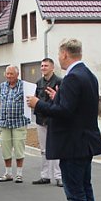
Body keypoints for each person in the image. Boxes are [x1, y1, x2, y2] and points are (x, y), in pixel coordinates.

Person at [27, 39, 101, 201]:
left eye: (59, 54)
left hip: (73, 143)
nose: (59, 57)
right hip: (84, 142)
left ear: (64, 54)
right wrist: (57, 97)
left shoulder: (73, 77)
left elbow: (65, 112)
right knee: (85, 190)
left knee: (76, 195)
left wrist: (38, 104)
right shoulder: (87, 74)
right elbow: (75, 106)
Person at [33, 58, 63, 186]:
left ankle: (59, 176)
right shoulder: (38, 83)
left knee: (56, 147)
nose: (43, 68)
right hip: (41, 119)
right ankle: (45, 176)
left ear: (52, 68)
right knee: (43, 149)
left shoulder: (59, 82)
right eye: (42, 66)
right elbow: (35, 100)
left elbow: (61, 101)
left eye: (46, 66)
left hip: (54, 119)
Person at [0, 65, 30, 183]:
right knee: (5, 148)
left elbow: (29, 102)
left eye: (12, 74)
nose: (9, 76)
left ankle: (19, 174)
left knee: (19, 148)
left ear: (17, 74)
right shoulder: (2, 86)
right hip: (4, 122)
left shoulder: (24, 86)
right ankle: (8, 173)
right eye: (7, 74)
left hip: (19, 122)